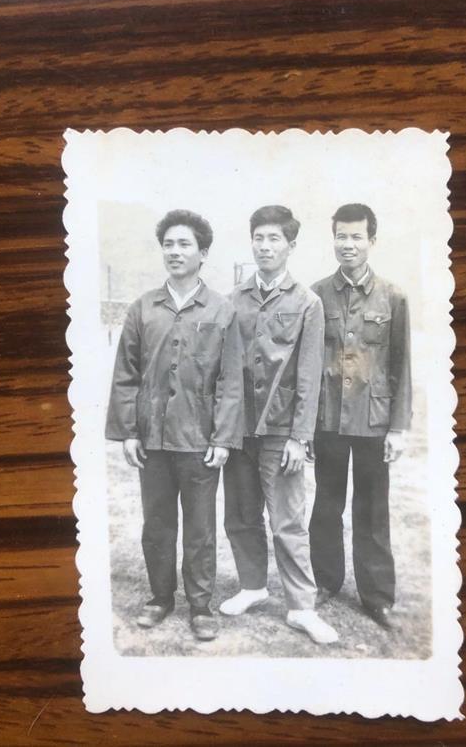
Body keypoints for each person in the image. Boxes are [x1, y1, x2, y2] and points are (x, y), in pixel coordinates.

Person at [105, 209, 243, 642]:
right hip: (152, 439)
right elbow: (126, 375)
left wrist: (223, 438)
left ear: (203, 253)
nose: (175, 252)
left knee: (200, 528)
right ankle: (160, 597)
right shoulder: (143, 308)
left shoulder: (222, 310)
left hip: (199, 441)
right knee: (157, 524)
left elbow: (230, 380)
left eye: (185, 244)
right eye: (168, 244)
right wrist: (129, 431)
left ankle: (201, 606)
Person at [220, 205, 338, 645]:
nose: (265, 246)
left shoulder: (307, 302)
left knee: (287, 522)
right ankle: (252, 586)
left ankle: (302, 608)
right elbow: (223, 370)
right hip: (238, 430)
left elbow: (309, 376)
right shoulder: (232, 299)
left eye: (274, 239)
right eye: (259, 238)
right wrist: (223, 430)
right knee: (240, 515)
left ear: (291, 245)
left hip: (281, 432)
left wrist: (299, 438)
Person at [309, 203, 411, 630]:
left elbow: (402, 365)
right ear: (332, 239)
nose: (347, 244)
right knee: (326, 505)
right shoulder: (316, 294)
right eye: (341, 236)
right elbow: (308, 365)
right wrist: (306, 426)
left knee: (372, 509)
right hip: (328, 419)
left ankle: (377, 596)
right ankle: (325, 581)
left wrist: (398, 427)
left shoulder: (393, 296)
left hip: (373, 420)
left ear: (372, 241)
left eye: (356, 237)